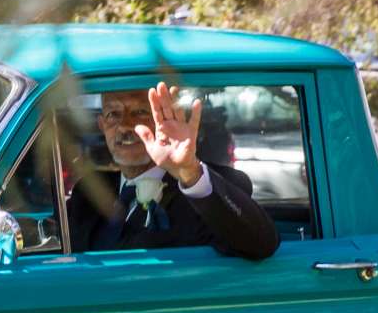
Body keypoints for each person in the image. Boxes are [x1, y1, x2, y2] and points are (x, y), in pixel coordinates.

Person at [64, 83, 279, 260]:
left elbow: (261, 244)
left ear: (166, 120)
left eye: (140, 112)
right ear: (102, 125)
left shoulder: (208, 187)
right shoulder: (88, 192)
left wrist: (189, 172)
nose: (125, 126)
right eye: (113, 114)